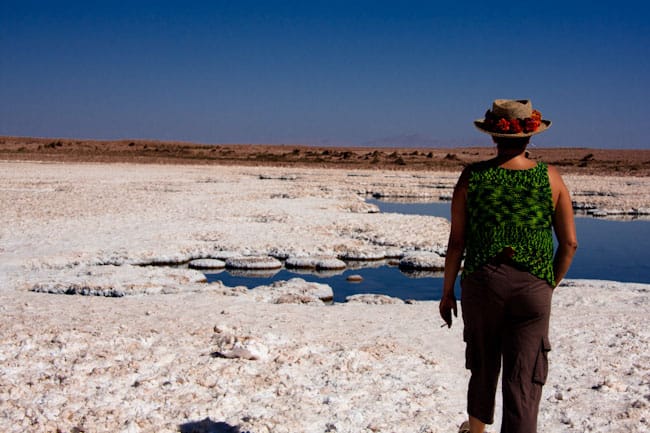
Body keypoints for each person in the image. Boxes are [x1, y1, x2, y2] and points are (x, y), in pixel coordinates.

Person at [439, 99, 578, 433]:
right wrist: (547, 283)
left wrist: (447, 293)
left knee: (483, 363)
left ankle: (475, 431)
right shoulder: (551, 178)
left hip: (483, 284)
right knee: (525, 375)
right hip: (533, 289)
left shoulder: (473, 177)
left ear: (492, 137)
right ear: (530, 137)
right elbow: (570, 243)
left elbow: (457, 242)